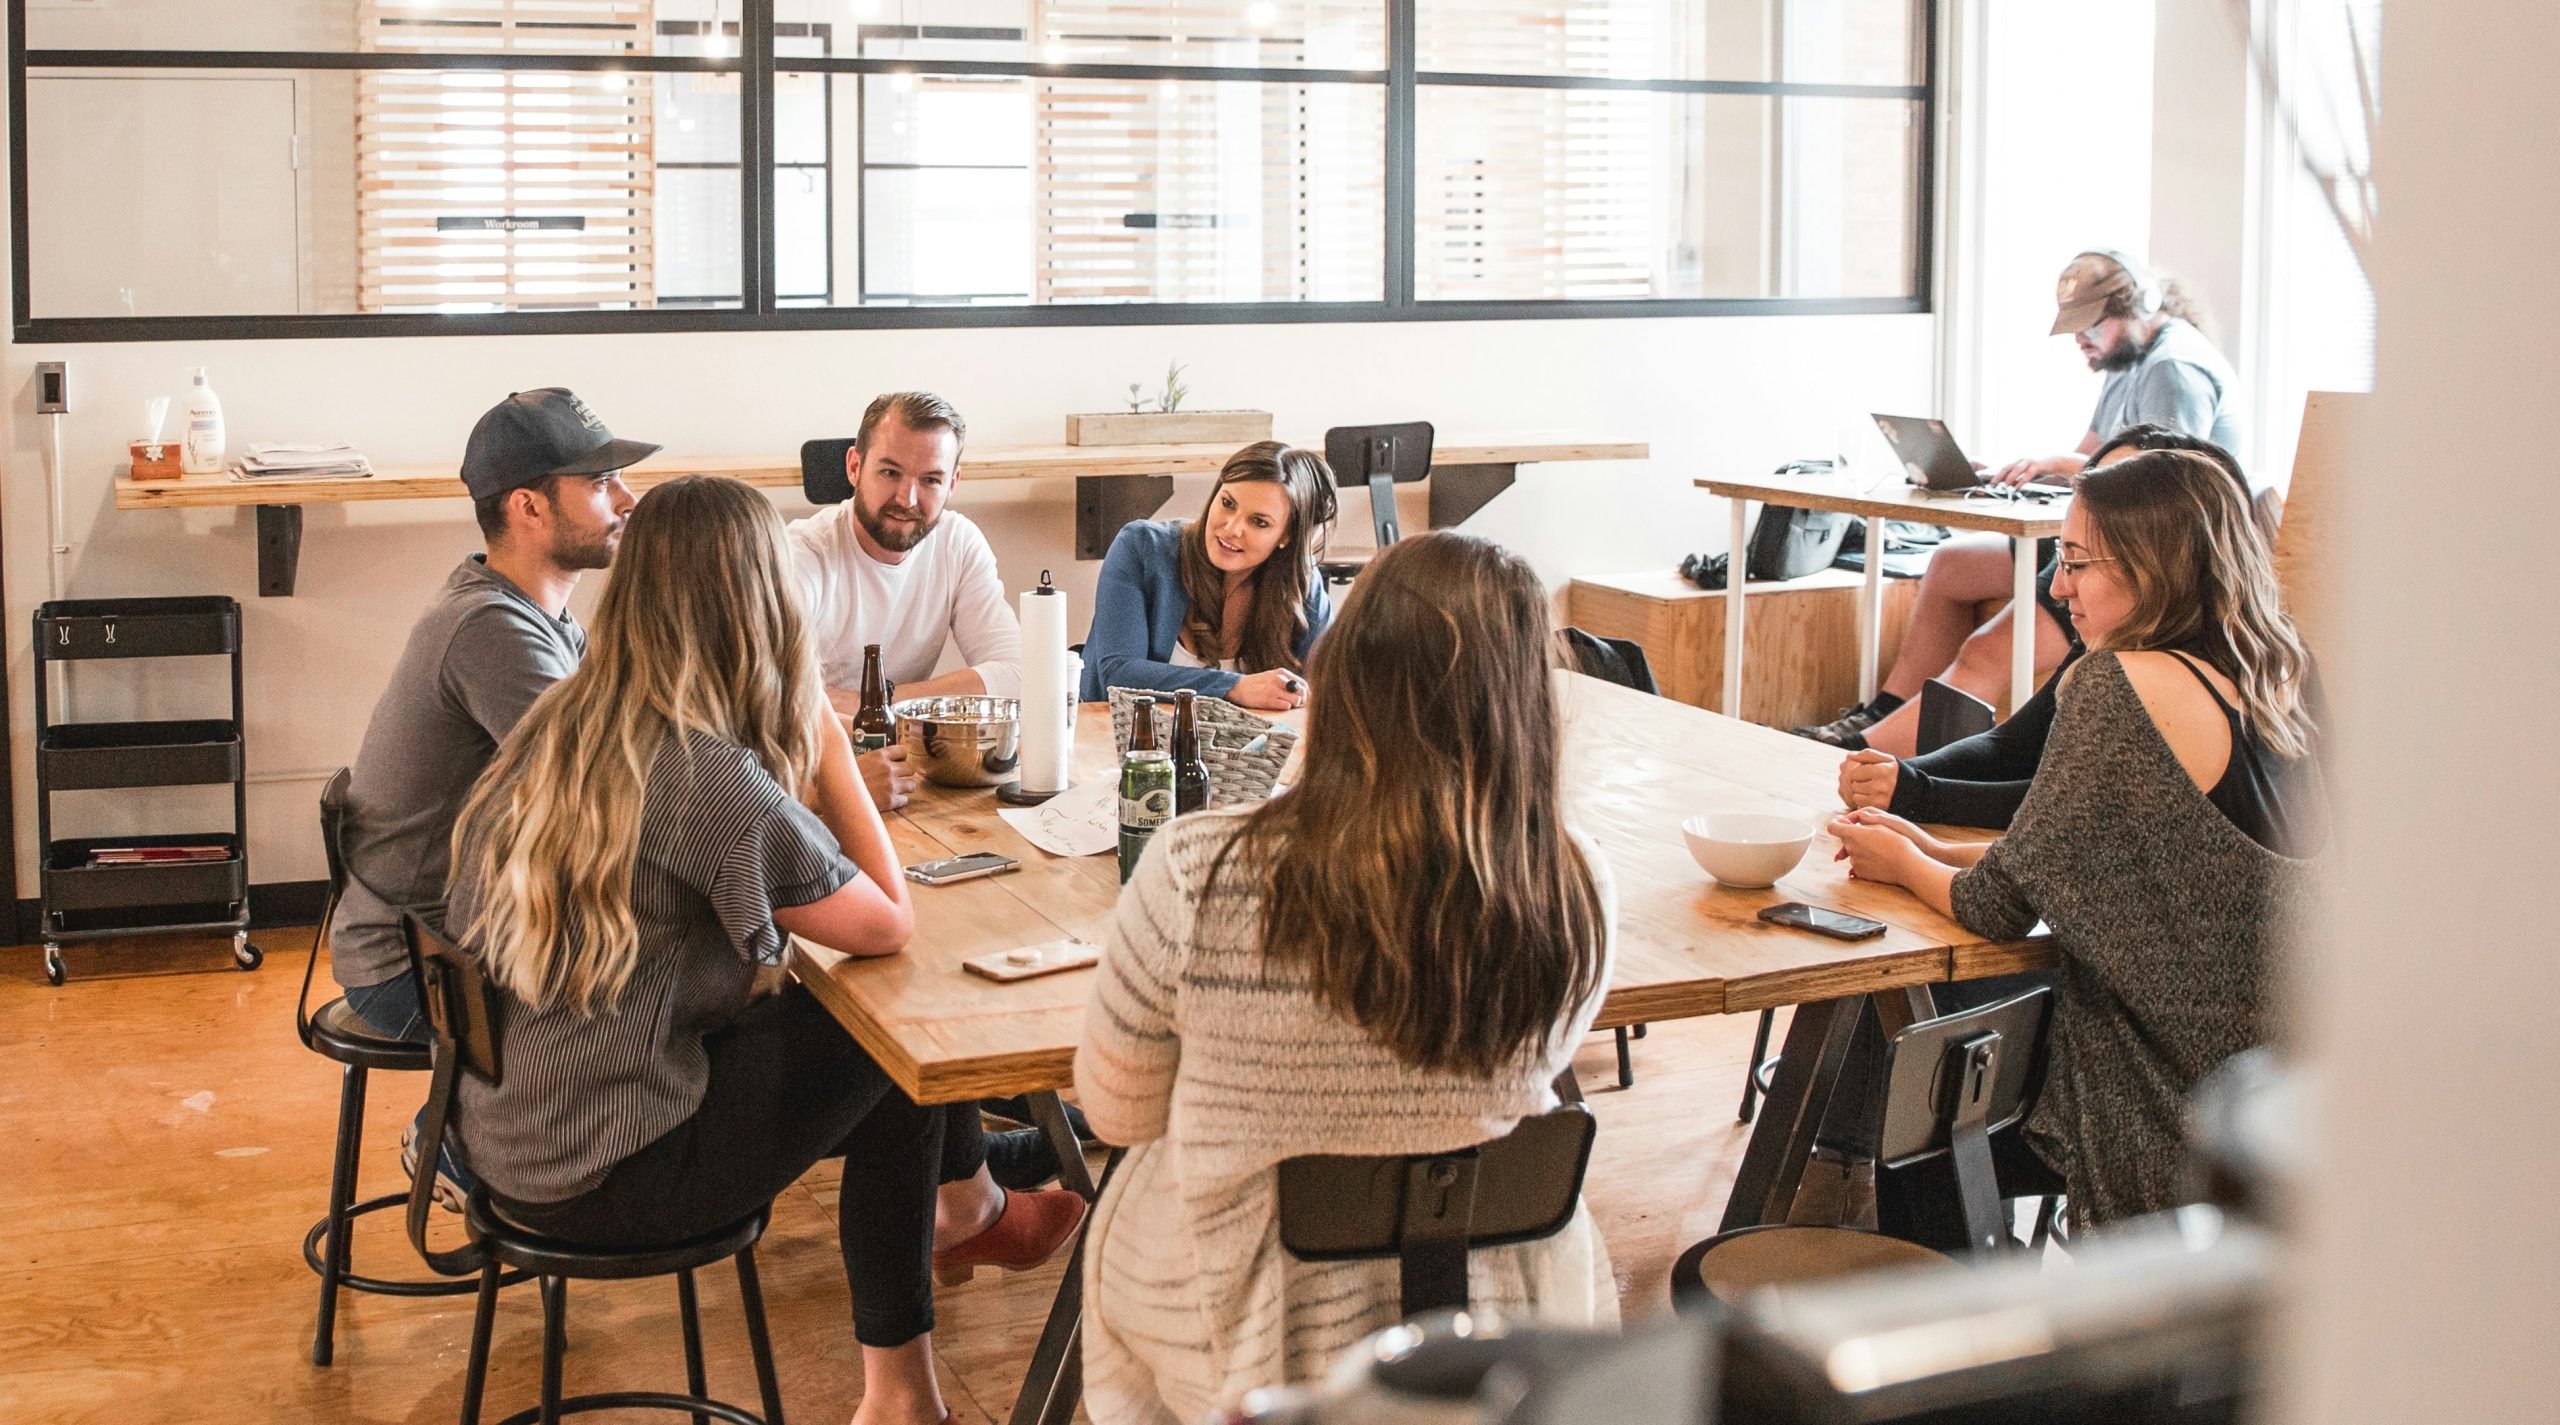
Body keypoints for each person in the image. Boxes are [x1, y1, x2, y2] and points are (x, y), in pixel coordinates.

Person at [445, 475, 1085, 1425]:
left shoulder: (569, 722)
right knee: (891, 1045)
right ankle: (909, 1381)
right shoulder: (701, 772)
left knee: (855, 1028)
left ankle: (963, 1224)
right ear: (764, 606)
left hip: (507, 1133)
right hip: (609, 1168)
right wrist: (825, 734)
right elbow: (887, 919)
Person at [1078, 531, 1620, 1423]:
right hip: (1497, 1306)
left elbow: (1116, 1109)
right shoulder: (1573, 882)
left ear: (1342, 673)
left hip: (1247, 1315)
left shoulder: (1199, 869)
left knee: (1147, 1167)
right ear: (1527, 698)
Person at [1829, 448, 2327, 1235]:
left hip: (2160, 1102)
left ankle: (1961, 1341)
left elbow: (1994, 905)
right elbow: (2073, 860)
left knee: (1916, 1126)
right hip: (2267, 1088)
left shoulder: (2119, 684)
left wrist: (1900, 861)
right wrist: (1918, 844)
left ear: (2151, 566)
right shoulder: (2270, 676)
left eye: (2075, 563)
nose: (2058, 589)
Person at [326, 388, 651, 1195]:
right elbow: (613, 790)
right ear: (529, 506)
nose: (627, 500)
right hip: (419, 970)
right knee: (669, 984)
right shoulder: (493, 631)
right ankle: (466, 1145)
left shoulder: (541, 618)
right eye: (602, 481)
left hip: (454, 942)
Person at [1797, 249, 2248, 754]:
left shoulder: (2174, 369)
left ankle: (1865, 753)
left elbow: (2163, 486)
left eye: (2090, 327)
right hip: (2105, 539)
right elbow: (2093, 455)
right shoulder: (2127, 360)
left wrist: (2060, 464)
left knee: (1986, 650)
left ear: (2136, 308)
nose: (2080, 340)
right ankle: (1884, 710)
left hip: (2143, 560)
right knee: (1949, 566)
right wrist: (2027, 473)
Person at [1837, 426, 2258, 829]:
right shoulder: (2137, 639)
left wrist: (1911, 793)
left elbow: (2054, 818)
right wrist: (1897, 774)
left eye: (2078, 559)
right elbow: (2015, 749)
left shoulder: (2144, 678)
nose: (2058, 587)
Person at [789, 391, 1021, 811]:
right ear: (855, 467)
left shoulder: (958, 542)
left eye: (930, 480)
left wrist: (881, 709)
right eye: (891, 473)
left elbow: (1017, 676)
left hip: (910, 777)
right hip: (814, 777)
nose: (907, 499)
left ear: (953, 483)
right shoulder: (802, 555)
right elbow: (776, 702)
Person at [1080, 440, 1337, 712]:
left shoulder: (1299, 579)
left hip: (1249, 753)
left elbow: (1331, 683)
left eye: (1259, 522)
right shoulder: (1142, 547)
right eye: (1228, 503)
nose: (1232, 528)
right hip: (1118, 745)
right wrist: (1234, 687)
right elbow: (1118, 674)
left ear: (1287, 536)